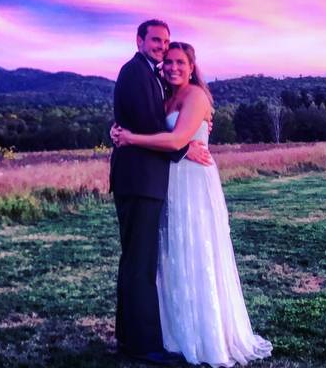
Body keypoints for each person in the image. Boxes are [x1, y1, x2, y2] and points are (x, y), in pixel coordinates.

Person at [112, 42, 273, 367]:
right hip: (169, 182)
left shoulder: (196, 96)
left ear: (191, 65)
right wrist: (118, 129)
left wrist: (129, 138)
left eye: (179, 62)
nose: (172, 67)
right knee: (173, 253)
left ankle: (206, 336)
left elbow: (174, 140)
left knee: (197, 250)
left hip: (194, 183)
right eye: (168, 62)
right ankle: (173, 333)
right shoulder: (164, 96)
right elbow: (145, 120)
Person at [110, 20, 212, 365]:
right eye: (155, 40)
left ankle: (131, 338)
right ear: (139, 40)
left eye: (165, 42)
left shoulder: (153, 78)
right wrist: (183, 150)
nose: (161, 47)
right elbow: (148, 126)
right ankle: (140, 346)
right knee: (139, 263)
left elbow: (140, 123)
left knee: (138, 261)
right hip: (140, 182)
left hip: (148, 182)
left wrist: (184, 144)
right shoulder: (137, 72)